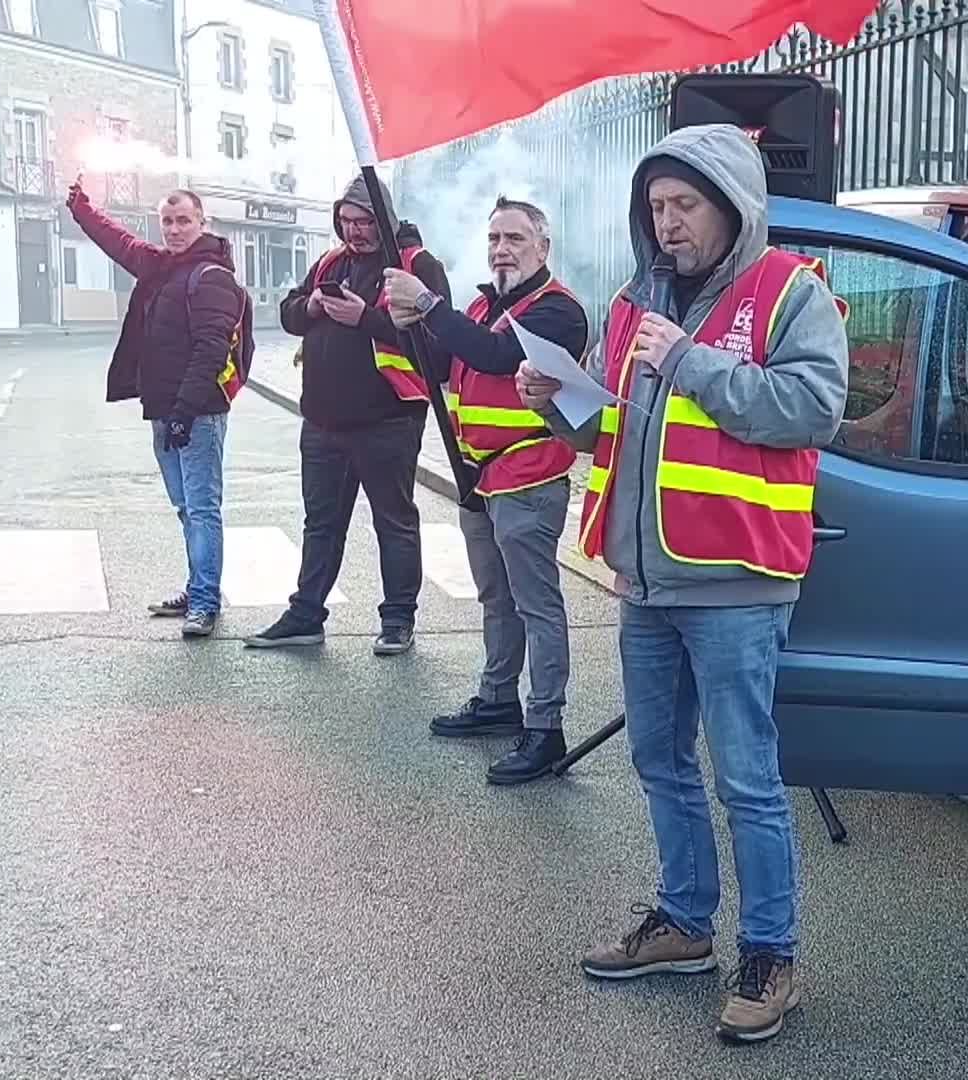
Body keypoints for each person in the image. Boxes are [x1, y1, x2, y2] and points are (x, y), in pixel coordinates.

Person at [516, 124, 849, 1043]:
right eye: (656, 207)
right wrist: (559, 404)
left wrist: (692, 360)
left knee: (746, 777)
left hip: (738, 578)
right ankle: (685, 924)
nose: (668, 224)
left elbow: (813, 410)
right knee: (657, 760)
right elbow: (608, 433)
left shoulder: (791, 291)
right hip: (646, 579)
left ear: (731, 204)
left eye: (685, 206)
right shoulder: (633, 303)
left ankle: (771, 954)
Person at [383, 197, 589, 785]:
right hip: (482, 476)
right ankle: (499, 698)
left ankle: (546, 727)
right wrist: (408, 329)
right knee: (497, 600)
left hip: (529, 477)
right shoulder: (480, 303)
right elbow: (442, 367)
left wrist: (428, 305)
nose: (501, 248)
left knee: (536, 605)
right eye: (495, 238)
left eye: (515, 239)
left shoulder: (558, 310)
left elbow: (498, 357)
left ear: (543, 248)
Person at [244, 174, 451, 656]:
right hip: (322, 421)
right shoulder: (330, 261)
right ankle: (306, 615)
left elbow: (438, 348)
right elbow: (289, 313)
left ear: (384, 219)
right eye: (346, 221)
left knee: (393, 522)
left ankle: (398, 619)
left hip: (389, 420)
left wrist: (368, 320)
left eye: (363, 221)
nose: (354, 231)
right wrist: (312, 304)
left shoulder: (415, 266)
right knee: (320, 523)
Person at [66, 181, 251, 638]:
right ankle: (198, 587)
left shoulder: (212, 277)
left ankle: (205, 602)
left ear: (202, 223)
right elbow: (120, 243)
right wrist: (82, 210)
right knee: (186, 507)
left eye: (183, 220)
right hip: (165, 410)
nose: (173, 229)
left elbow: (211, 351)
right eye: (167, 221)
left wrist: (185, 412)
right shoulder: (162, 267)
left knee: (203, 508)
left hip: (197, 414)